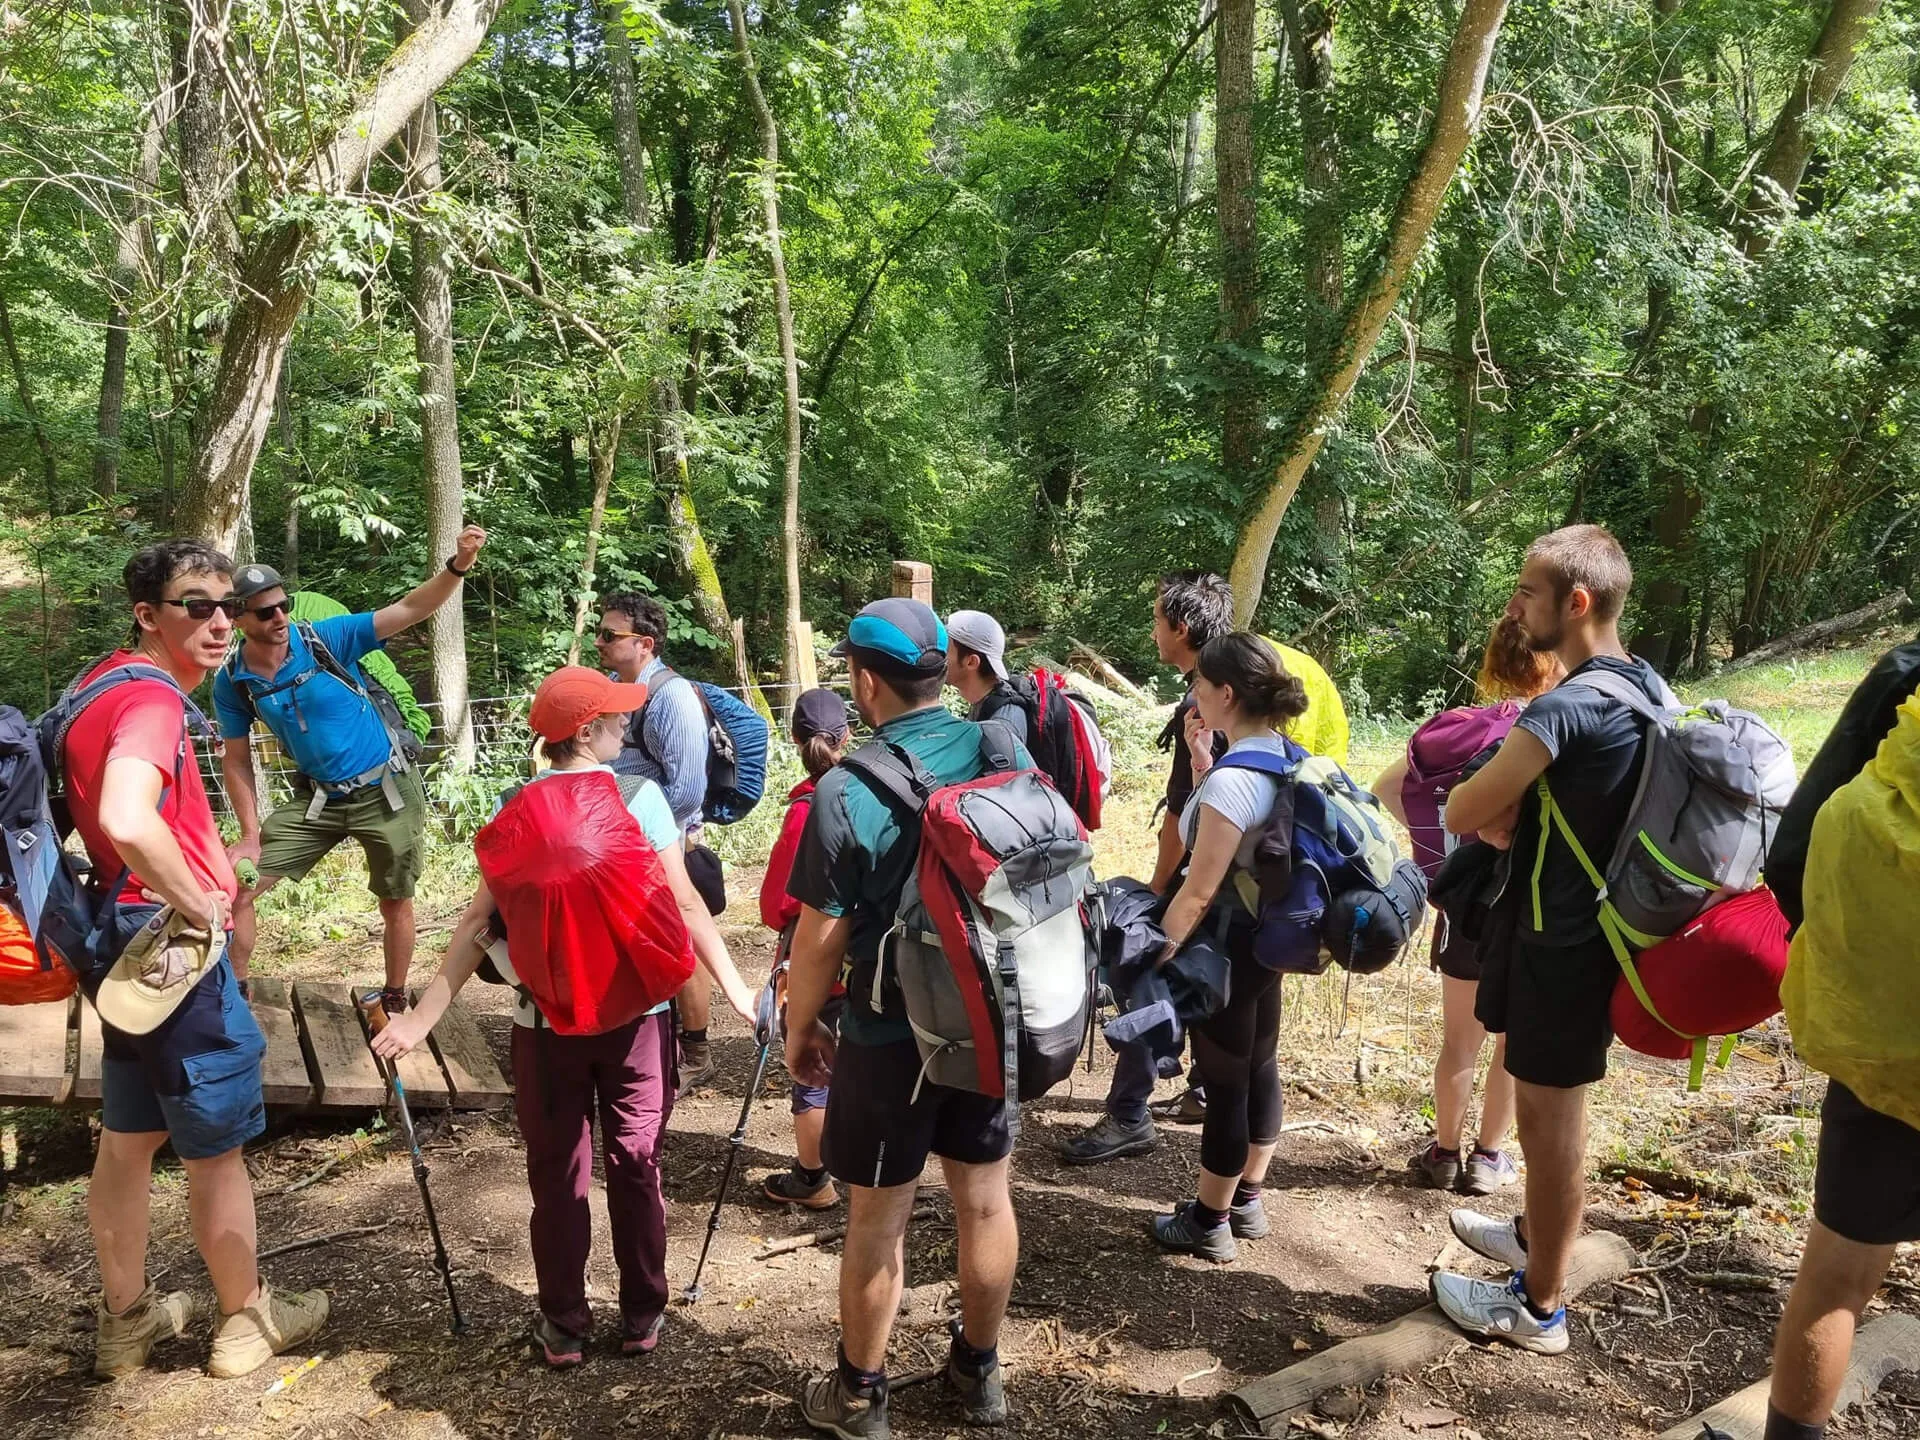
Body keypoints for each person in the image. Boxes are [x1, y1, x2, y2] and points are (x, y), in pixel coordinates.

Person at [371, 666, 756, 1367]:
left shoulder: (514, 806)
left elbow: (476, 924)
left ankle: (565, 1326)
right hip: (639, 1017)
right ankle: (642, 1315)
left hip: (542, 1025)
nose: (625, 727)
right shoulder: (640, 797)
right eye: (615, 719)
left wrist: (422, 1019)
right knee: (636, 1164)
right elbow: (689, 906)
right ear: (586, 731)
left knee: (557, 1175)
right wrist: (737, 993)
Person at [67, 539, 328, 1379]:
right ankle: (246, 1321)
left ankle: (126, 1322)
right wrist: (197, 900)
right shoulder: (150, 702)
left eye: (228, 605)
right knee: (214, 1148)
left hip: (118, 941)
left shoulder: (94, 686)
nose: (221, 621)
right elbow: (129, 817)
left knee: (128, 1136)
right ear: (149, 615)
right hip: (168, 950)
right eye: (196, 605)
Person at [784, 598, 1031, 1438]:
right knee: (985, 1199)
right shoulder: (1001, 742)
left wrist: (799, 1030)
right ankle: (978, 1372)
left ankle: (859, 1396)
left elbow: (821, 939)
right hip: (992, 1015)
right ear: (943, 668)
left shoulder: (845, 788)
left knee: (879, 1214)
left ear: (862, 680)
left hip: (892, 1034)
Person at [1428, 524, 1659, 1355]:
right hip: (1597, 930)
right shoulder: (1645, 686)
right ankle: (1535, 1237)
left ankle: (1539, 1308)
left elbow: (1459, 810)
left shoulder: (1570, 704)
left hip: (1560, 943)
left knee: (1550, 1124)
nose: (1516, 606)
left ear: (1578, 602)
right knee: (1552, 1113)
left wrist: (1494, 805)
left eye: (1528, 591)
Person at [216, 527, 487, 1014]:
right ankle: (235, 995)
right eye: (265, 611)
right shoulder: (233, 679)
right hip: (318, 799)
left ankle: (395, 996)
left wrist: (458, 565)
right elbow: (235, 759)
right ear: (237, 618)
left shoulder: (325, 639)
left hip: (387, 790)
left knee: (394, 900)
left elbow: (410, 609)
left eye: (285, 604)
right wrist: (251, 835)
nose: (281, 617)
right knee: (240, 888)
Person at [1753, 659, 1920, 1440]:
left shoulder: (1909, 676)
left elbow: (1792, 853)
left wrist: (1852, 968)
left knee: (1839, 1273)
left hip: (1895, 1048)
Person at [1371, 618, 1560, 1195]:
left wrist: (1441, 849)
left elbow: (1384, 787)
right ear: (1552, 664)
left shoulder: (1455, 730)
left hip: (1462, 909)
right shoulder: (1547, 732)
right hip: (1527, 910)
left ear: (1492, 664)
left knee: (1459, 1041)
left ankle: (1444, 1152)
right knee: (1510, 1041)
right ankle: (1489, 1157)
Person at [1143, 633, 1306, 1263]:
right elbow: (1240, 834)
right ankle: (1247, 1200)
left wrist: (1153, 956)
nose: (1193, 695)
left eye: (1200, 687)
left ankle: (1209, 1220)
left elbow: (1197, 894)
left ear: (1226, 693)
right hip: (1270, 937)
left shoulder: (1235, 782)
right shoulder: (1281, 755)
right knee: (1260, 1062)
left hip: (1228, 949)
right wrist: (1203, 759)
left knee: (1227, 1080)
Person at [593, 590, 720, 1094]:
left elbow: (687, 790)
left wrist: (644, 842)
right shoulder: (611, 686)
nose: (598, 642)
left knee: (681, 939)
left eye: (609, 635)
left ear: (644, 644)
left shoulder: (671, 698)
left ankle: (697, 1051)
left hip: (662, 845)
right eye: (599, 632)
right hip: (620, 845)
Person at [759, 687, 853, 1210]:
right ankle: (864, 1167)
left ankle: (813, 1178)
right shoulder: (868, 793)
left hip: (814, 966)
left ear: (793, 739)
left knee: (812, 1068)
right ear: (848, 736)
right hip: (867, 963)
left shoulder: (802, 811)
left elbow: (778, 904)